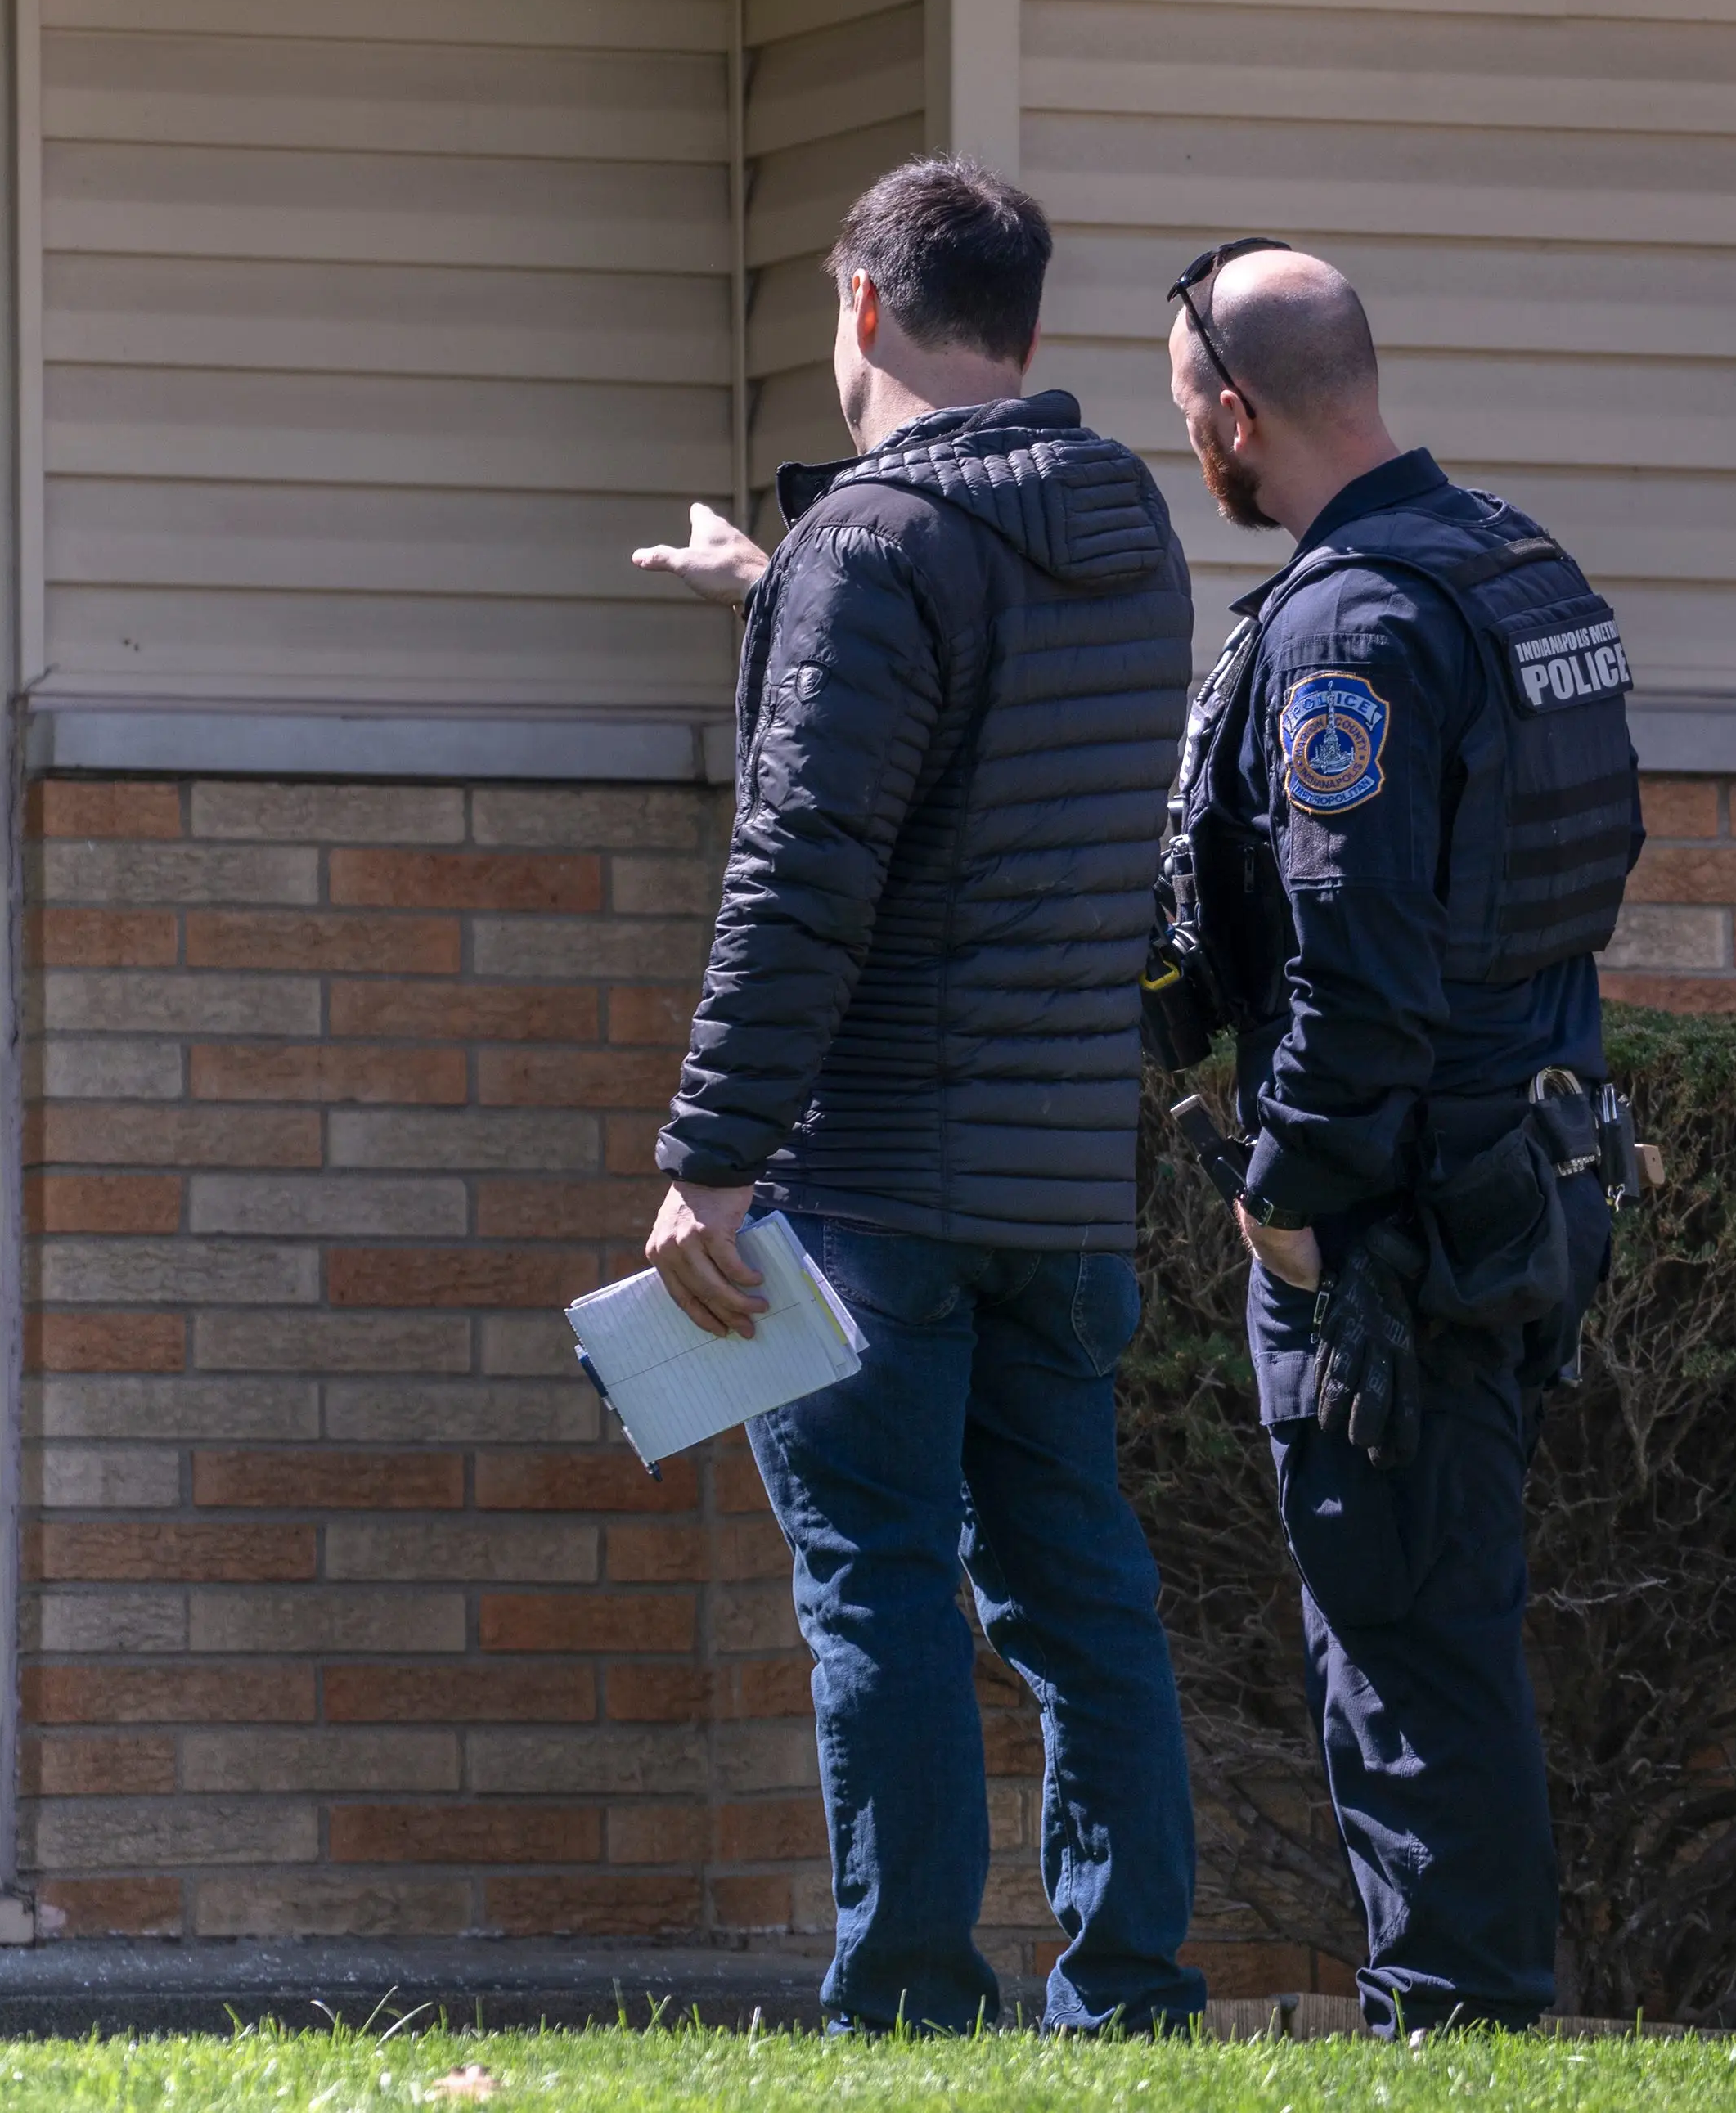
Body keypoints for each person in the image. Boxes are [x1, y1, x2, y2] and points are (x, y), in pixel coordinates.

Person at [634, 156, 1207, 2035]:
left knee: (874, 1583)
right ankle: (1129, 1990)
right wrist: (775, 582)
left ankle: (906, 1998)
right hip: (1059, 1186)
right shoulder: (1124, 519)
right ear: (1025, 328)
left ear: (865, 310)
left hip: (873, 1178)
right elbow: (986, 728)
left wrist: (708, 1165)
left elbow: (806, 874)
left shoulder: (877, 550)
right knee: (1078, 1588)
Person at [1154, 240, 1642, 2034]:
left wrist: (1286, 1194)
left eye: (1184, 423)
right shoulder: (1518, 565)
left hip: (1399, 1230)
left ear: (1233, 411)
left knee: (1405, 1637)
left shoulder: (1351, 624)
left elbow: (1358, 976)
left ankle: (1456, 2018)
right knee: (1446, 1618)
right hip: (1523, 1170)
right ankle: (1461, 2005)